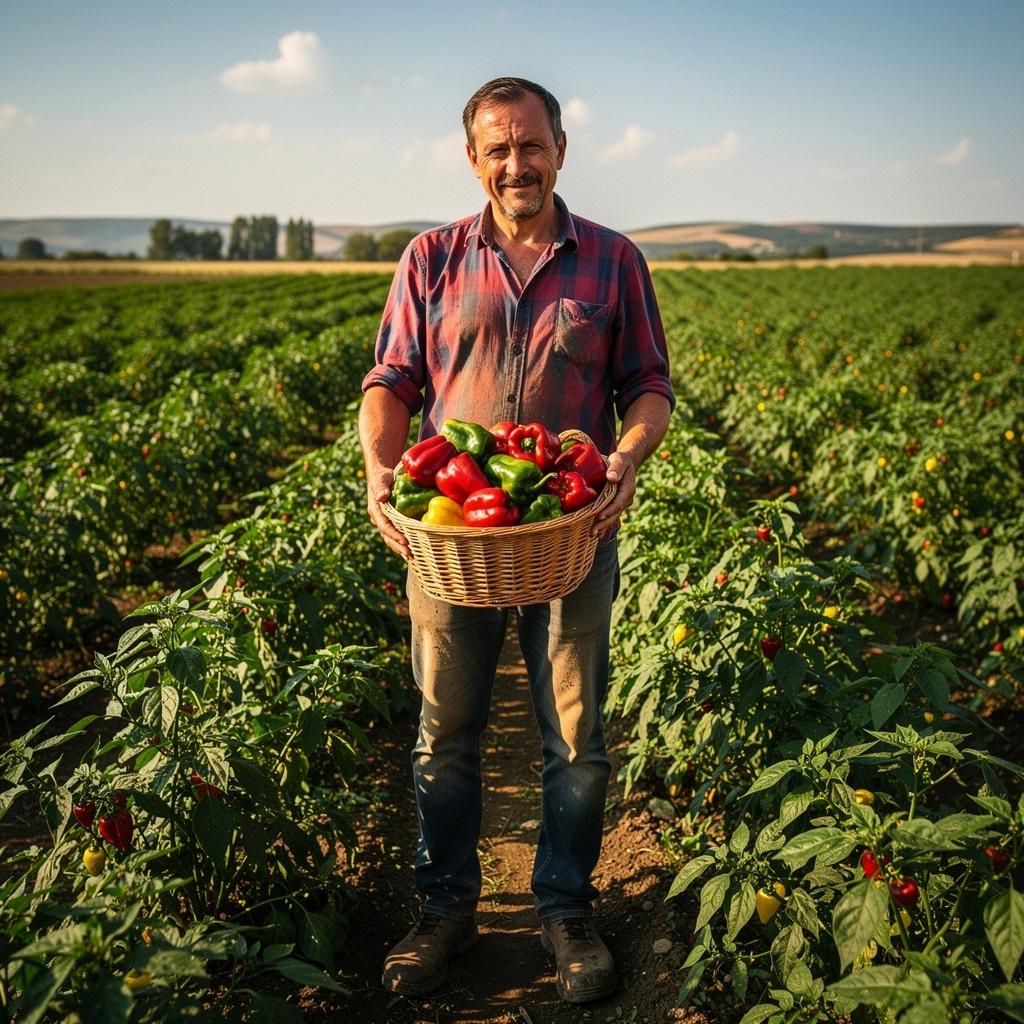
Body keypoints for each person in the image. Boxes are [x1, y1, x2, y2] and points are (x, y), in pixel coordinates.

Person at [358, 76, 674, 1004]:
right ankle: (443, 911)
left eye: (531, 145)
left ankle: (566, 912)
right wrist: (380, 466)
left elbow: (648, 385)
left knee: (575, 739)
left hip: (571, 529)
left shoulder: (613, 260)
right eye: (497, 148)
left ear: (560, 150)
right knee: (442, 734)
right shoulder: (430, 258)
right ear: (473, 159)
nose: (516, 164)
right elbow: (392, 379)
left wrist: (625, 456)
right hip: (454, 534)